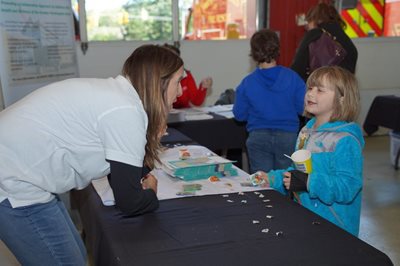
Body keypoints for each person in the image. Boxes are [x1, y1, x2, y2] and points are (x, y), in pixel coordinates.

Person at [0, 44, 184, 265]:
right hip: (13, 183)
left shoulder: (119, 97)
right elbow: (130, 202)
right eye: (178, 81)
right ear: (158, 83)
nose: (181, 91)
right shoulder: (125, 111)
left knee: (75, 255)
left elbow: (122, 167)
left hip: (19, 174)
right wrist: (151, 194)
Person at [261, 66, 364, 236]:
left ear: (341, 99)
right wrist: (272, 179)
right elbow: (298, 173)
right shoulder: (306, 132)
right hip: (306, 220)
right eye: (310, 88)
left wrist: (310, 183)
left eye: (320, 90)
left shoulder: (346, 140)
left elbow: (348, 187)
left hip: (336, 229)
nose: (310, 93)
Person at [233, 29, 306, 173]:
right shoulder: (293, 78)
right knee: (287, 180)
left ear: (254, 54)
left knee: (263, 182)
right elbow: (302, 109)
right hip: (288, 137)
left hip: (258, 137)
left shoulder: (247, 83)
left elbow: (239, 115)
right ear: (277, 50)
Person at [291, 2, 358, 82]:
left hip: (320, 88)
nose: (307, 26)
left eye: (309, 21)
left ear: (315, 19)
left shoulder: (314, 34)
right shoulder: (348, 43)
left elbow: (296, 69)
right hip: (343, 91)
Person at [164, 43, 213, 108]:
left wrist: (203, 87)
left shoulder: (186, 75)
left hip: (183, 114)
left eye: (176, 59)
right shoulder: (157, 77)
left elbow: (196, 102)